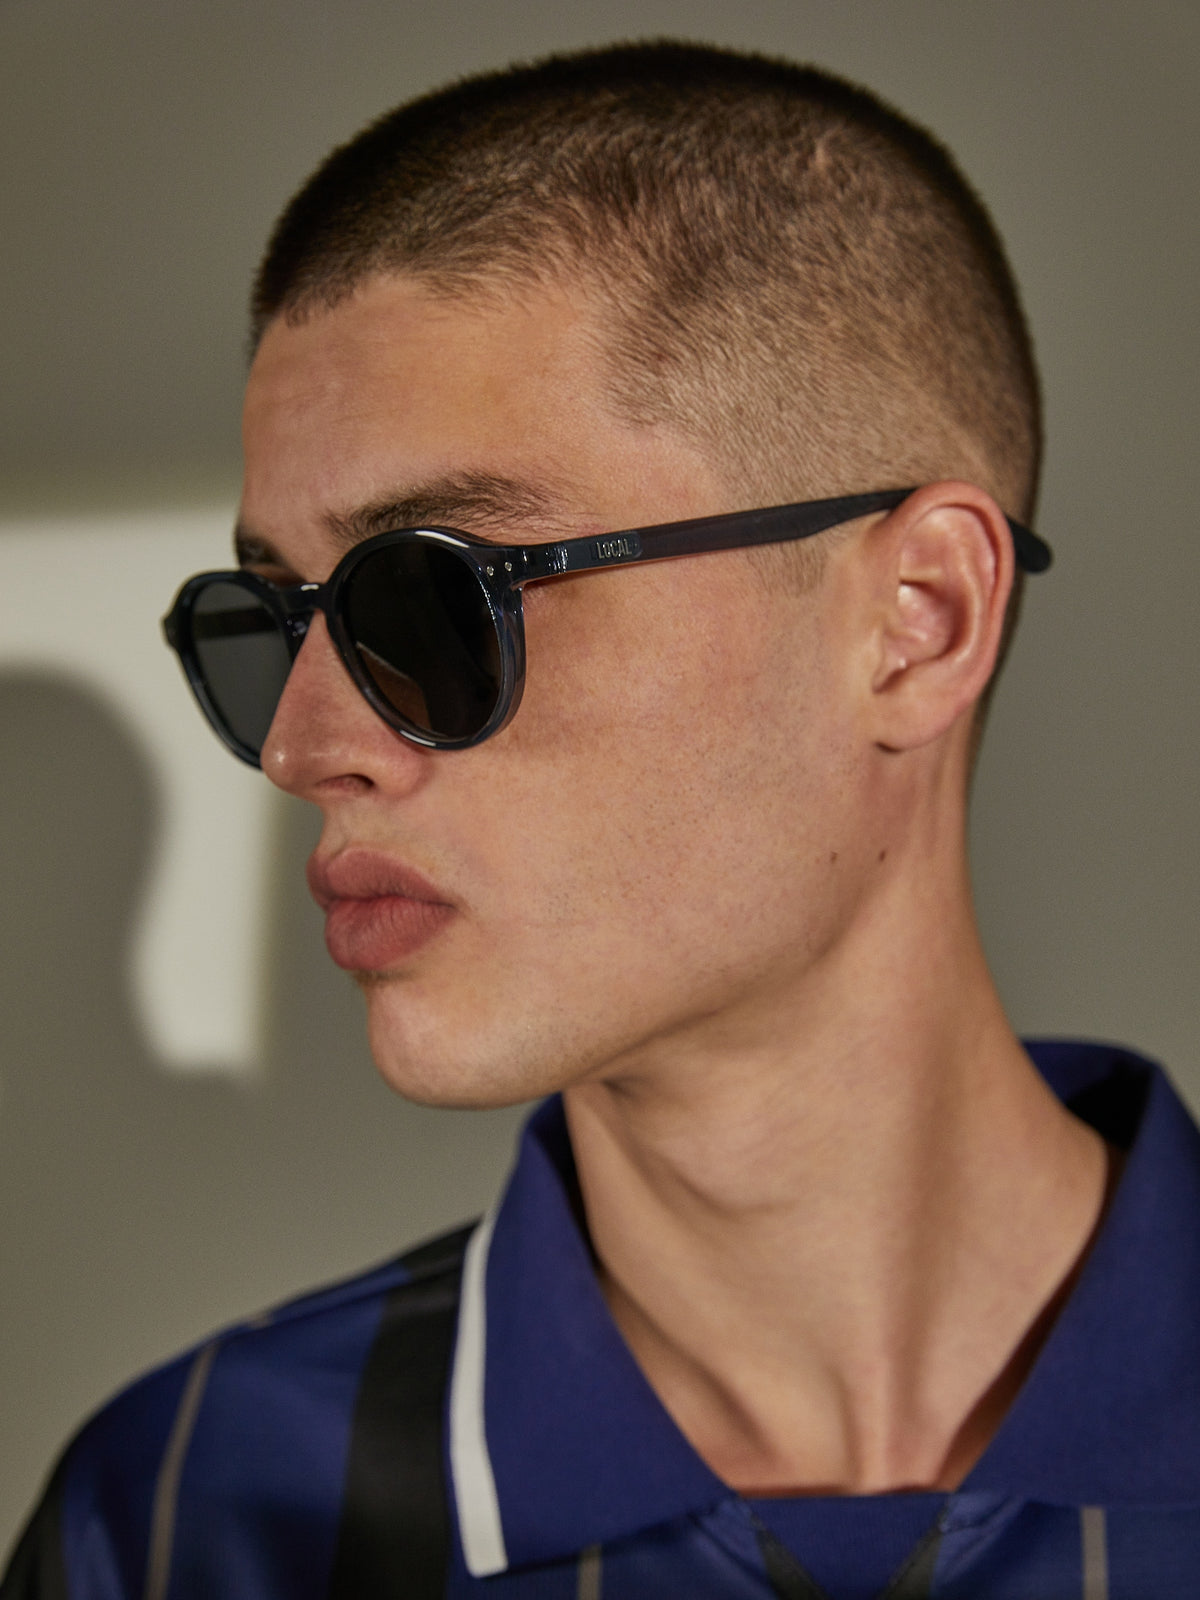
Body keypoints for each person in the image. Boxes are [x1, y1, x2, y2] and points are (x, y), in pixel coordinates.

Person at [4, 39, 1197, 1600]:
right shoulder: (186, 1523)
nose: (302, 744)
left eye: (436, 599)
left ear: (918, 621)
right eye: (271, 620)